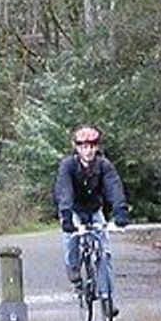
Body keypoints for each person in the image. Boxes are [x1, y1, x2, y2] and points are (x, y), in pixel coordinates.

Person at [54, 124, 128, 301]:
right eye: (84, 147)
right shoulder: (68, 165)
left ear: (97, 147)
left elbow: (113, 186)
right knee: (71, 244)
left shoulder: (104, 165)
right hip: (73, 209)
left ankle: (106, 295)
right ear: (77, 148)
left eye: (92, 146)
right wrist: (66, 216)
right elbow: (64, 190)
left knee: (104, 252)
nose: (88, 151)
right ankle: (74, 274)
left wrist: (120, 210)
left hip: (94, 209)